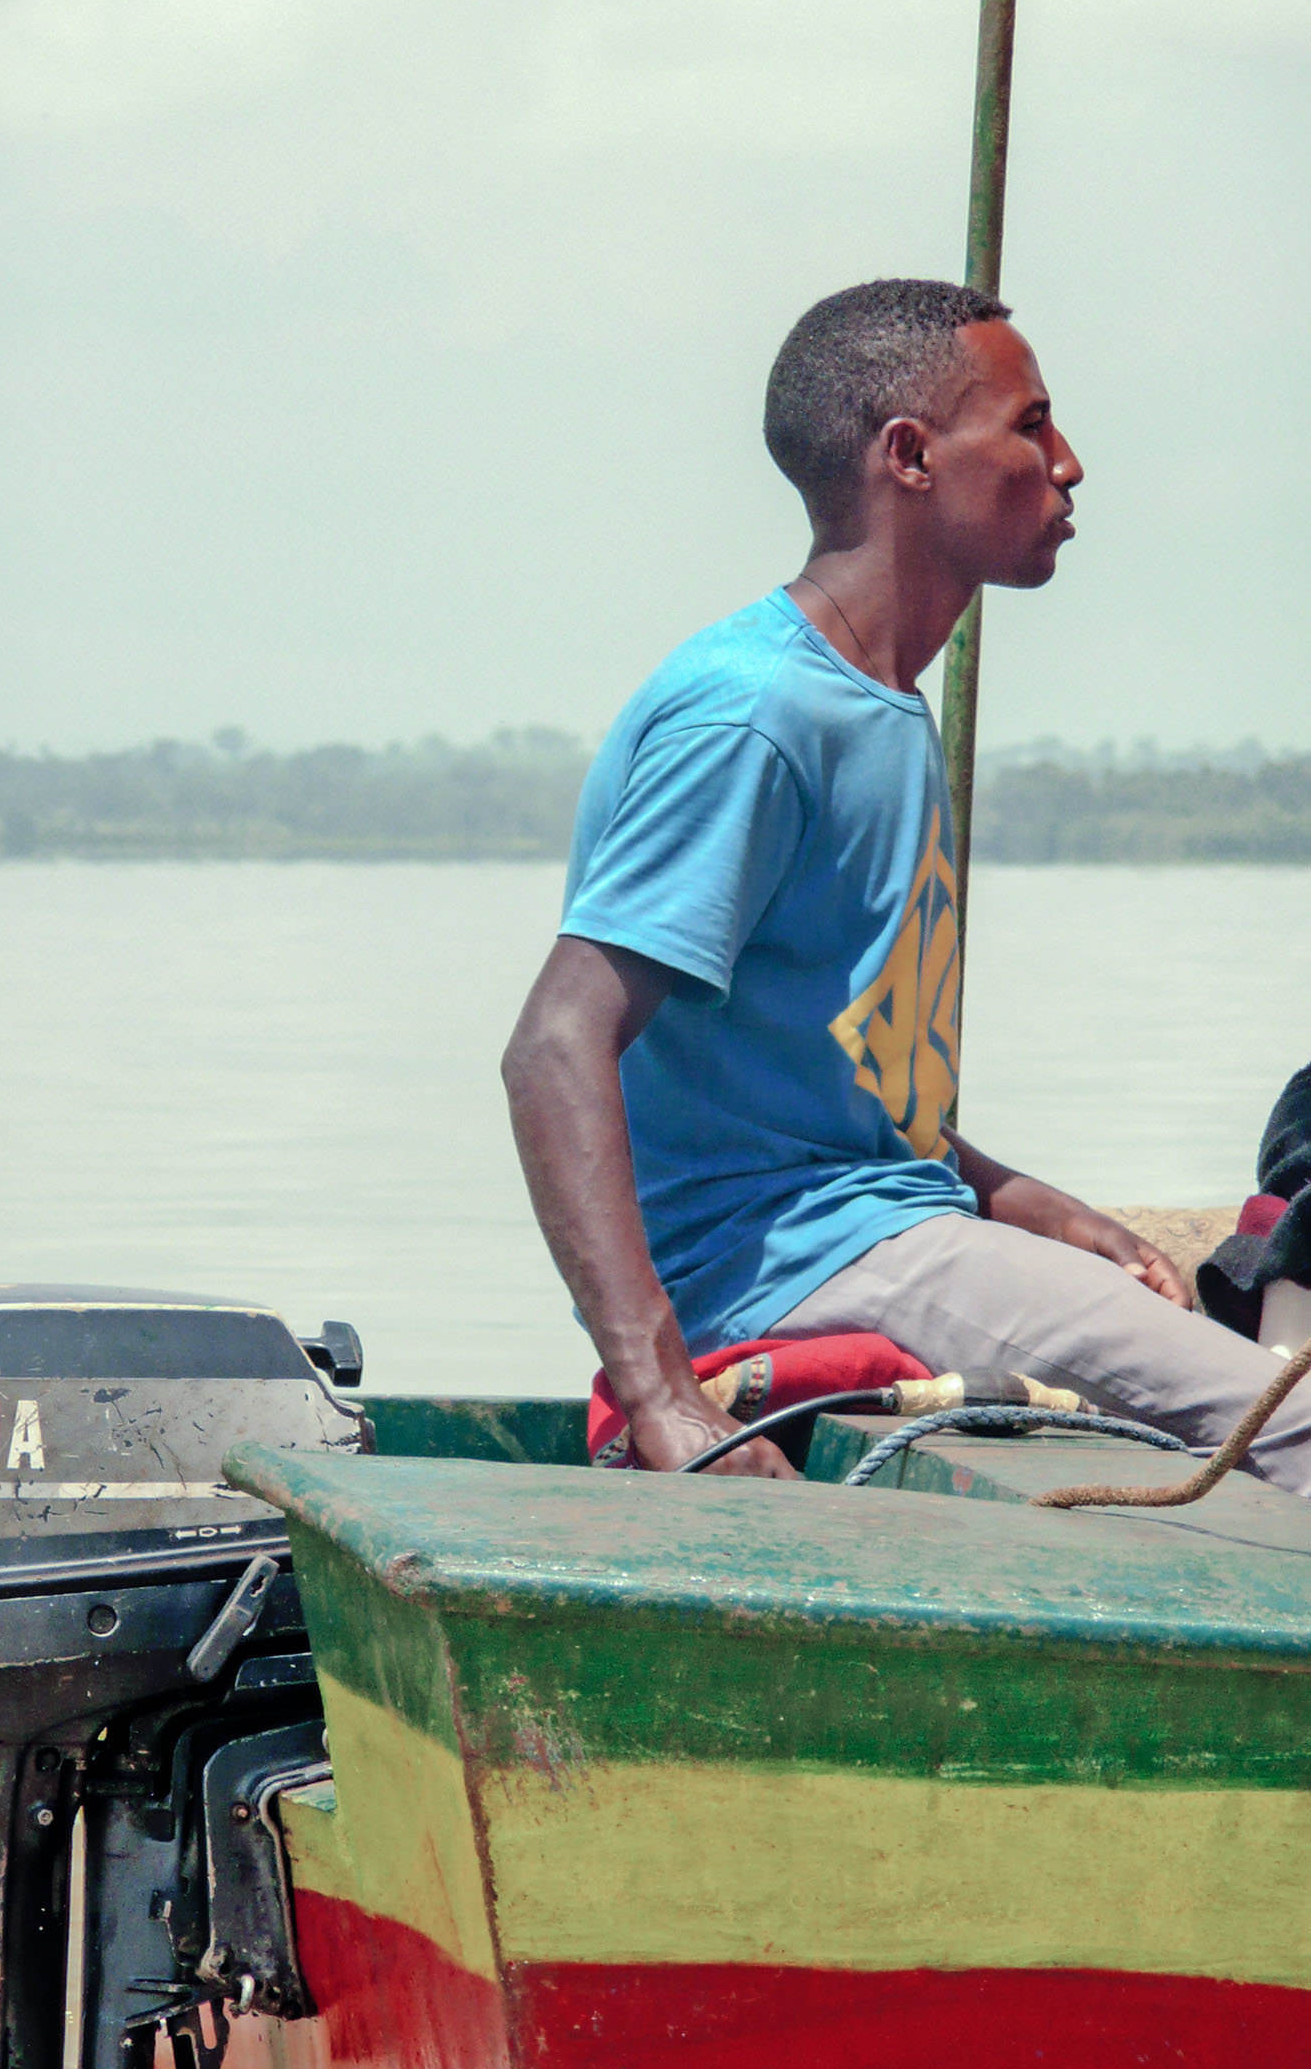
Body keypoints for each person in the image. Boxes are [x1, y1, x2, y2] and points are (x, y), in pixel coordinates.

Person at [502, 279, 1311, 1495]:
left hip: (888, 1218)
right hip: (791, 1262)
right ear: (911, 456)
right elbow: (554, 1045)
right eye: (1030, 425)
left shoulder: (879, 706)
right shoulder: (755, 713)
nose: (1068, 463)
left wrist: (1017, 1195)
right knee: (1290, 1428)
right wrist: (662, 1395)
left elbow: (832, 1080)